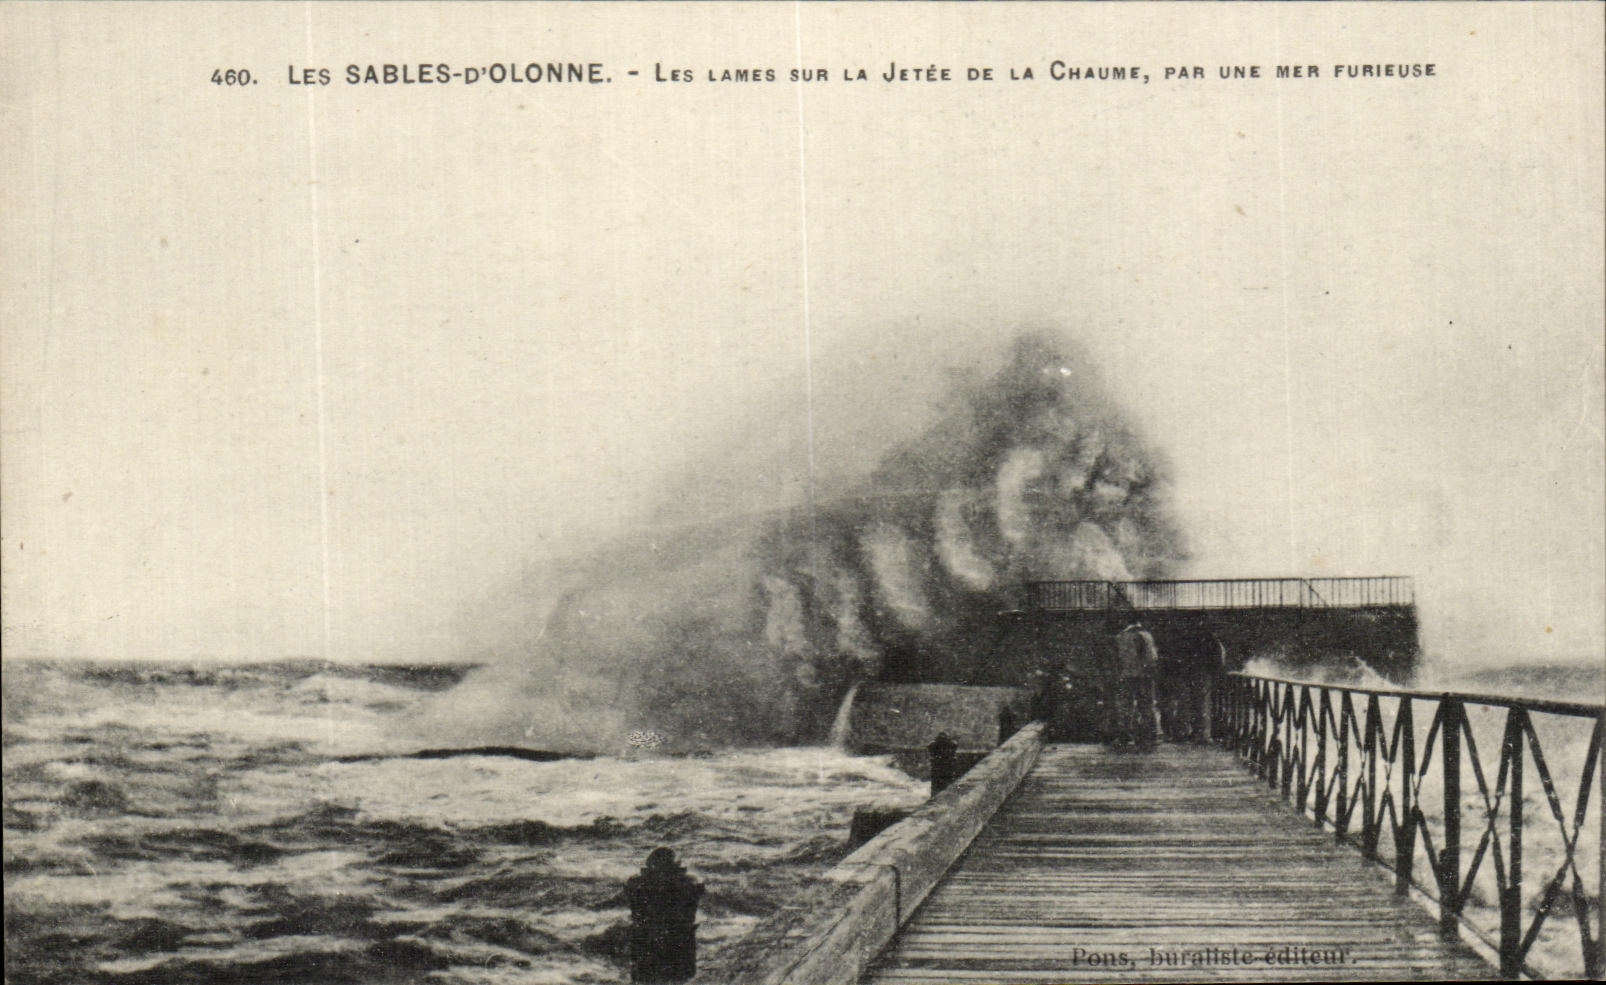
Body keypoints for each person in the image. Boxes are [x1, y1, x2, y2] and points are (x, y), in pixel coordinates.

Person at [1112, 621, 1160, 748]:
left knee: (1125, 706)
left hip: (1126, 675)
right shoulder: (1146, 635)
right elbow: (1152, 658)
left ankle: (1125, 735)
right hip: (1144, 676)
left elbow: (1116, 659)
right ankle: (1149, 735)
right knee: (1146, 705)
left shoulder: (1119, 637)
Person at [1184, 629, 1227, 743]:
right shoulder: (1216, 643)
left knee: (1200, 705)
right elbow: (1220, 662)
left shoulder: (1205, 642)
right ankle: (1205, 733)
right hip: (1209, 676)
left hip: (1203, 675)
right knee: (1205, 705)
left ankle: (1201, 733)